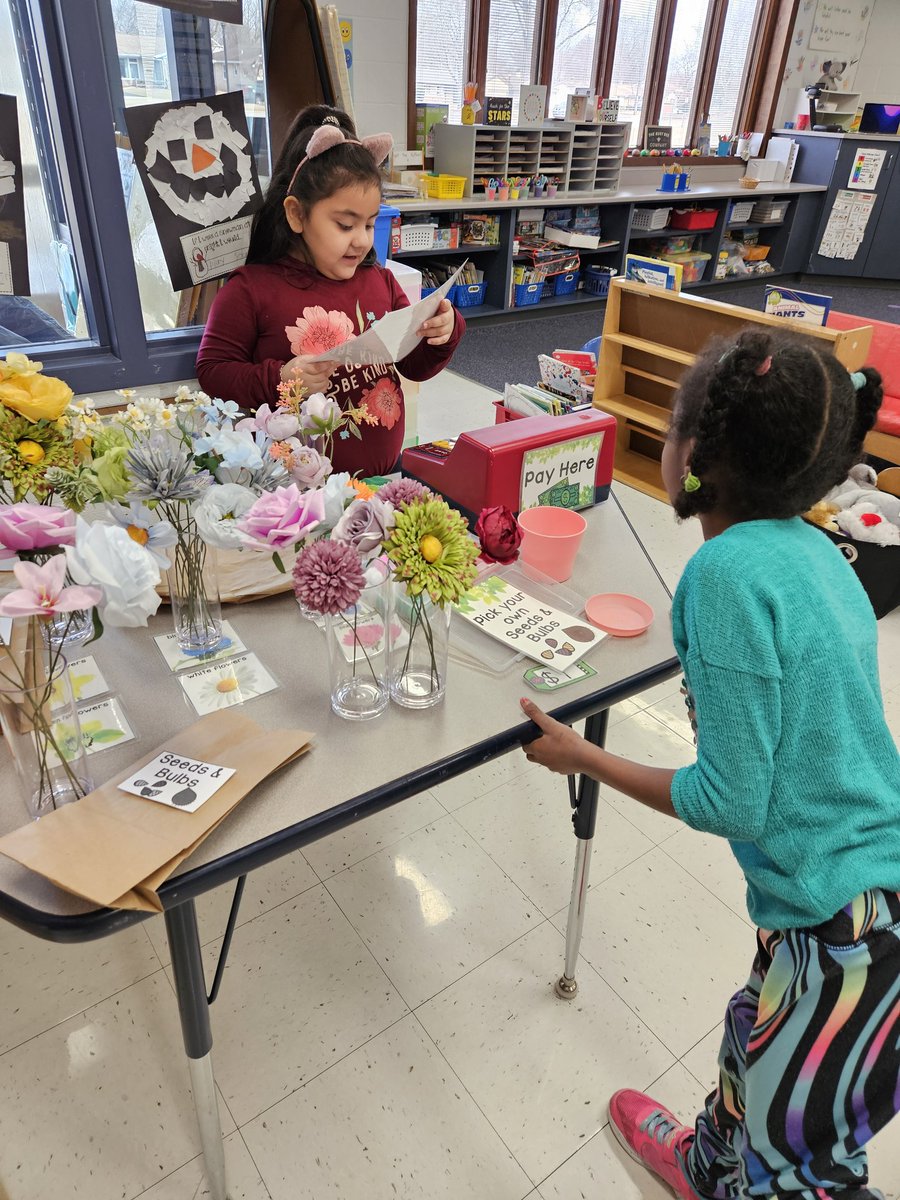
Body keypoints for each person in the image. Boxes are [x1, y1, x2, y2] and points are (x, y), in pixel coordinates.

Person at [519, 328, 900, 1200]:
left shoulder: (723, 575)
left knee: (800, 1165)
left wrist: (583, 756)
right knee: (753, 1037)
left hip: (849, 931)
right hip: (842, 896)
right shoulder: (817, 552)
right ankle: (707, 1164)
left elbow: (733, 799)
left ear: (693, 454)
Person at [196, 105, 464, 477]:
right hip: (297, 496)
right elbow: (212, 371)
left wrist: (442, 333)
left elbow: (413, 365)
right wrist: (280, 378)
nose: (361, 241)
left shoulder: (379, 281)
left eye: (370, 224)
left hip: (382, 480)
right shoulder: (252, 289)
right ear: (296, 214)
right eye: (344, 224)